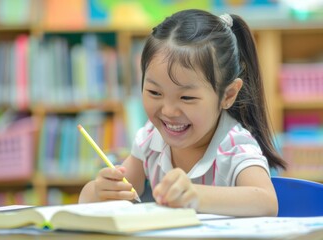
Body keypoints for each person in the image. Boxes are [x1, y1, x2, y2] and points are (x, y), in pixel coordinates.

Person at [79, 9, 286, 217]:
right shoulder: (151, 139)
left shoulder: (234, 146)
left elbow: (267, 202)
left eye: (187, 98)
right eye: (154, 92)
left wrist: (195, 195)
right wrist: (97, 192)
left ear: (228, 95)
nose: (168, 111)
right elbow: (114, 194)